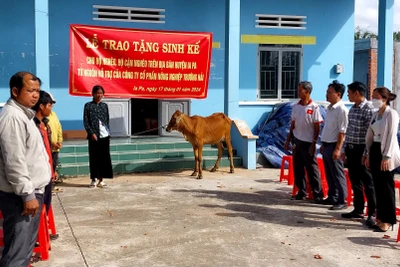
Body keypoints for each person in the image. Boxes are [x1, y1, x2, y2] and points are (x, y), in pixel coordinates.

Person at [0, 71, 51, 266]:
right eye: (30, 90)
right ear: (15, 91)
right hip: (20, 197)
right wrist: (27, 195)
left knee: (24, 249)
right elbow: (14, 161)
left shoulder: (25, 115)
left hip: (31, 191)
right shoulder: (12, 118)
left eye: (37, 90)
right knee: (17, 253)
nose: (36, 95)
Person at [341, 82, 376, 228]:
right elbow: (349, 130)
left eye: (349, 92)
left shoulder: (369, 109)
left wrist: (367, 153)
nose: (347, 95)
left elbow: (371, 134)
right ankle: (358, 209)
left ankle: (372, 213)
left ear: (356, 92)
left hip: (363, 150)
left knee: (368, 182)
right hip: (351, 148)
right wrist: (344, 149)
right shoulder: (353, 109)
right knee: (355, 180)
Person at [365, 87, 400, 232]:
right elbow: (371, 135)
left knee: (386, 187)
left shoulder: (391, 114)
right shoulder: (375, 115)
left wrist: (386, 156)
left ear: (384, 99)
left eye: (376, 97)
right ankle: (380, 218)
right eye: (372, 96)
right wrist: (367, 154)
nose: (373, 99)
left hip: (386, 152)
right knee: (377, 186)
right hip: (375, 150)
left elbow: (391, 136)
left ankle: (389, 220)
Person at [284, 81, 323, 202]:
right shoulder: (296, 107)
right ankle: (301, 191)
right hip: (297, 141)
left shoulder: (314, 107)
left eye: (300, 90)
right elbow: (293, 124)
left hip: (308, 143)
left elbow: (317, 127)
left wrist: (314, 143)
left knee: (312, 169)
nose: (298, 92)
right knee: (298, 168)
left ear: (307, 91)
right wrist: (288, 140)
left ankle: (317, 193)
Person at [32, 90, 59, 240]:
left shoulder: (44, 124)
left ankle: (41, 232)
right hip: (38, 175)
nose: (51, 108)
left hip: (48, 171)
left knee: (46, 204)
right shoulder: (33, 126)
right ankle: (35, 237)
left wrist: (52, 169)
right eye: (49, 105)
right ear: (42, 106)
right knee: (38, 207)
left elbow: (47, 150)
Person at [320, 80, 348, 210]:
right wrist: (323, 143)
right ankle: (332, 196)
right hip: (327, 144)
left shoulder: (341, 110)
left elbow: (342, 131)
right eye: (327, 92)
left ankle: (342, 200)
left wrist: (338, 149)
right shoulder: (330, 108)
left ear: (338, 94)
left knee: (337, 173)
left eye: (330, 92)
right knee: (329, 173)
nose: (327, 94)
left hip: (334, 145)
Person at [83, 85, 113, 188]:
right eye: (97, 93)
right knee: (94, 157)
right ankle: (93, 179)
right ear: (93, 94)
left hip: (104, 135)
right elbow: (86, 121)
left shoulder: (104, 106)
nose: (99, 95)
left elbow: (107, 119)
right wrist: (91, 133)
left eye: (101, 93)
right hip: (94, 136)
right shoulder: (88, 106)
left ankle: (101, 179)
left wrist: (108, 133)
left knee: (104, 158)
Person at [47, 93, 63, 181]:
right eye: (50, 102)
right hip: (48, 147)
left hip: (55, 148)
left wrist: (59, 141)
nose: (52, 104)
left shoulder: (53, 114)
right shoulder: (42, 116)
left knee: (53, 166)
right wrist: (52, 143)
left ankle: (51, 185)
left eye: (53, 103)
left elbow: (59, 128)